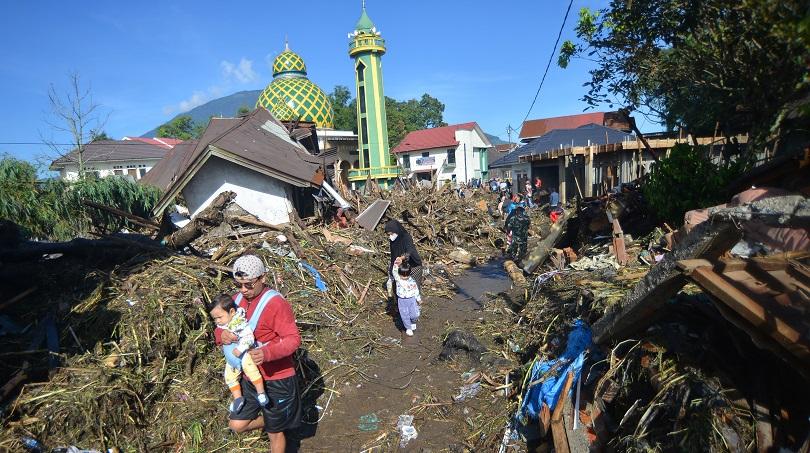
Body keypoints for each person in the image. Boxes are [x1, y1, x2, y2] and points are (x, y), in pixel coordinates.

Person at [216, 254, 302, 453]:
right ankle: (276, 419)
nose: (243, 290)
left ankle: (276, 423)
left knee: (275, 433)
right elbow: (220, 324)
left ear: (263, 278)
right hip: (250, 377)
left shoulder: (276, 304)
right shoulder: (236, 301)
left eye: (248, 285)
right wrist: (222, 334)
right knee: (237, 425)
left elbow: (292, 339)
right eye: (239, 285)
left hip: (277, 379)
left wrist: (267, 353)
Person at [207, 294, 269, 413]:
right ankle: (238, 398)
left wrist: (240, 349)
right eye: (215, 319)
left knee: (251, 371)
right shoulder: (223, 324)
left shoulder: (239, 324)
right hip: (231, 359)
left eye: (219, 317)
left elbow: (249, 337)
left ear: (232, 312)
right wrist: (221, 333)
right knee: (229, 377)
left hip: (244, 355)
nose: (217, 321)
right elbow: (218, 333)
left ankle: (261, 392)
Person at [384, 220, 423, 296]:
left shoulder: (406, 237)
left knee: (413, 289)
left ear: (396, 230)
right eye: (388, 235)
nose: (390, 236)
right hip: (403, 267)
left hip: (414, 267)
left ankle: (415, 305)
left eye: (391, 234)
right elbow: (393, 255)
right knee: (401, 289)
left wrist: (402, 258)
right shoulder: (393, 240)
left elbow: (410, 251)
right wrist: (391, 269)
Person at [392, 256, 422, 336]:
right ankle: (408, 328)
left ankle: (413, 322)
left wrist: (418, 299)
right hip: (402, 300)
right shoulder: (398, 279)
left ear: (409, 274)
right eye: (403, 275)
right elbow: (394, 271)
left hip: (411, 299)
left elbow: (415, 289)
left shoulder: (412, 280)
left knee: (415, 314)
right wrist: (396, 264)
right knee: (404, 314)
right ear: (399, 274)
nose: (404, 277)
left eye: (406, 275)